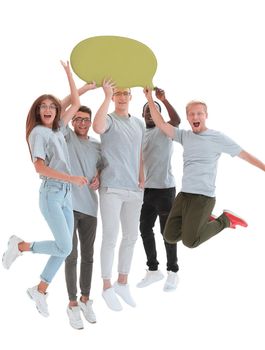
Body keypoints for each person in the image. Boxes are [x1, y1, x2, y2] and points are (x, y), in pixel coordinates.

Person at [2, 61, 88, 317]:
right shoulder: (39, 133)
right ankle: (20, 247)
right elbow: (39, 167)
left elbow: (73, 100)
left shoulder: (58, 128)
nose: (49, 109)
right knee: (65, 247)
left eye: (52, 106)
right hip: (52, 192)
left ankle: (39, 289)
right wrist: (70, 178)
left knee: (65, 248)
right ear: (37, 112)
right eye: (44, 106)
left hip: (65, 194)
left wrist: (72, 77)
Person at [143, 88, 265, 252]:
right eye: (192, 114)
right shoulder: (184, 136)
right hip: (184, 195)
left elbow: (244, 155)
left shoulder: (218, 138)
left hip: (203, 197)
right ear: (187, 117)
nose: (195, 117)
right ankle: (205, 220)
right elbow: (161, 124)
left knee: (190, 242)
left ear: (206, 116)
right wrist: (149, 97)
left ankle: (225, 220)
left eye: (199, 113)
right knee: (169, 236)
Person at [93, 79, 145, 311]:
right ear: (113, 97)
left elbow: (139, 153)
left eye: (125, 93)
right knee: (111, 237)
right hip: (111, 187)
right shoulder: (110, 119)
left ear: (131, 97)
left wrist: (142, 177)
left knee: (132, 236)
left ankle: (122, 282)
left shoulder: (140, 124)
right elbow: (97, 128)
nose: (122, 97)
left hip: (134, 189)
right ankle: (106, 287)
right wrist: (104, 96)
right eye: (117, 94)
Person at [60, 83, 102, 329]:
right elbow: (63, 108)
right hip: (68, 204)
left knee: (88, 256)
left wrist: (99, 177)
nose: (84, 123)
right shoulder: (65, 136)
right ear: (73, 121)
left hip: (90, 208)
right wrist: (83, 90)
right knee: (71, 255)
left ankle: (86, 299)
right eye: (79, 119)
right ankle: (73, 304)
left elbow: (104, 167)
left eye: (86, 120)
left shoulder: (97, 145)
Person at [137, 87, 181, 292]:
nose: (149, 112)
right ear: (142, 114)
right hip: (146, 191)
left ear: (159, 115)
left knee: (167, 233)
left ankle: (173, 272)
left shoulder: (165, 130)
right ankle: (153, 270)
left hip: (165, 190)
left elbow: (177, 120)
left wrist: (163, 99)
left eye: (154, 109)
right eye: (147, 110)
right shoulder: (140, 134)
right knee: (145, 229)